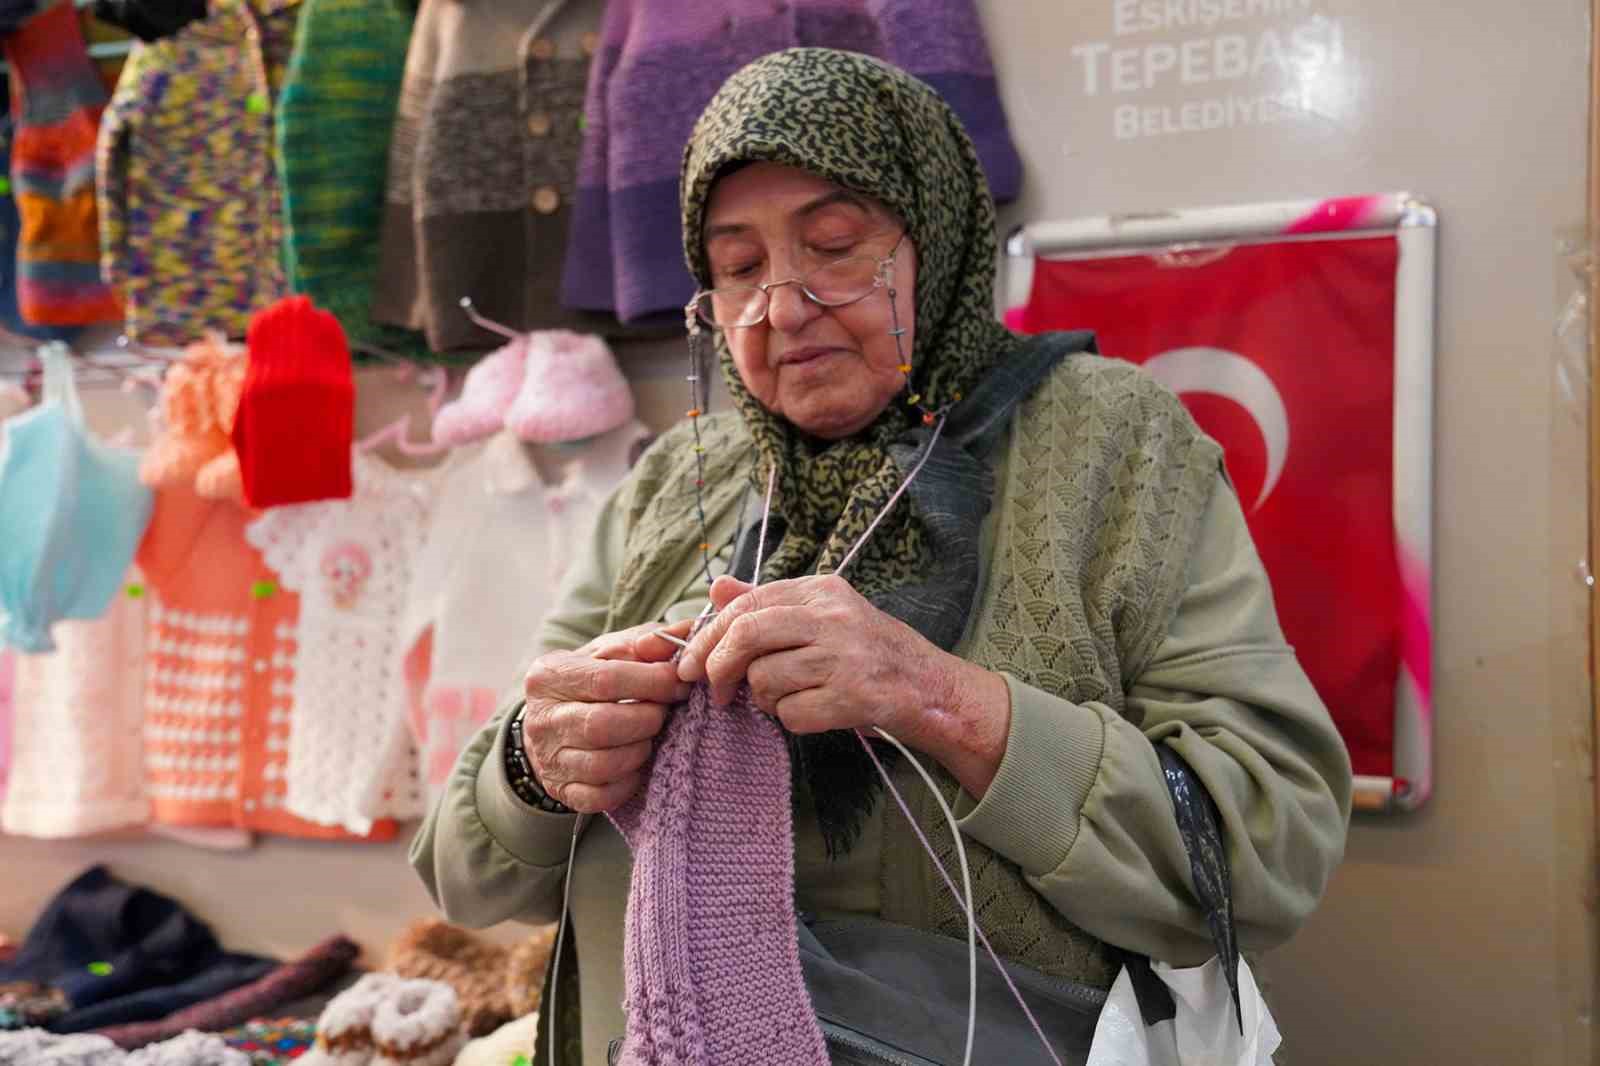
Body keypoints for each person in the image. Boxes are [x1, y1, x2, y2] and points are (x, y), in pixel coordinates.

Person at [411, 47, 1352, 1066]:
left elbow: (1267, 849)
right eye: (735, 269)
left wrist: (943, 700)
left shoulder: (1112, 444)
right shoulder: (675, 481)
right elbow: (462, 870)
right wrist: (537, 764)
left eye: (834, 243)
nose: (780, 304)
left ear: (936, 238)